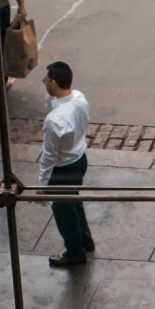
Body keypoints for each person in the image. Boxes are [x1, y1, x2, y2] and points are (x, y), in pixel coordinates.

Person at [40, 60, 95, 268]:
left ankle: (74, 251)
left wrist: (42, 185)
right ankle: (85, 240)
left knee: (64, 213)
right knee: (74, 202)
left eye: (45, 80)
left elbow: (49, 156)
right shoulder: (79, 98)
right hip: (80, 159)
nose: (44, 83)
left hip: (63, 168)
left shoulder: (54, 121)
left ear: (53, 83)